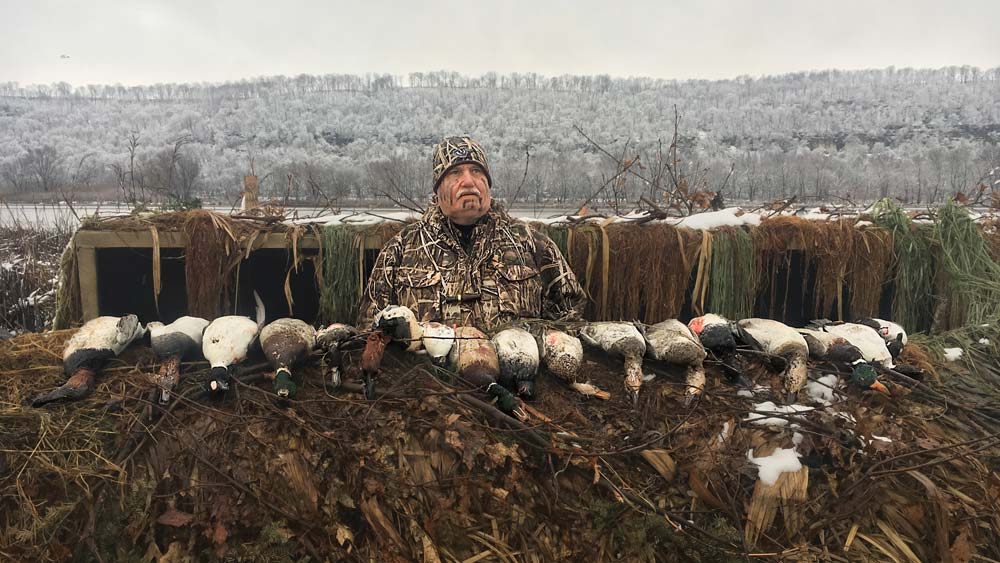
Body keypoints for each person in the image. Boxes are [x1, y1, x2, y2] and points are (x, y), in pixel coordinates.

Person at [359, 136, 585, 330]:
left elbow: (570, 316)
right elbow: (371, 326)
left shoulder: (531, 242)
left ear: (487, 183)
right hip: (426, 379)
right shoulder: (401, 248)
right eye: (455, 172)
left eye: (477, 171)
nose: (468, 181)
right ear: (438, 187)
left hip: (517, 378)